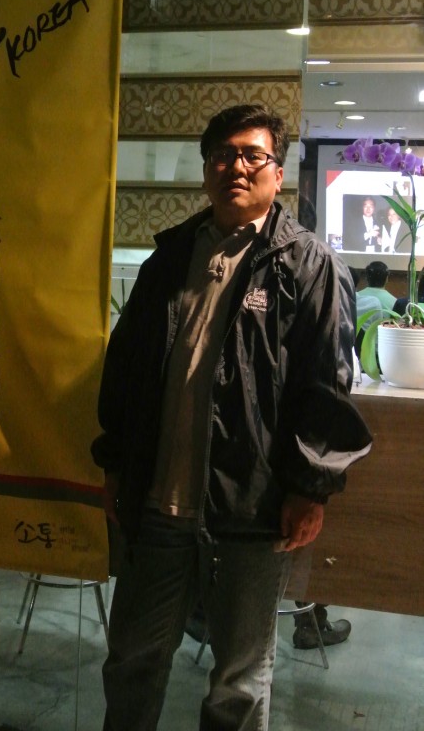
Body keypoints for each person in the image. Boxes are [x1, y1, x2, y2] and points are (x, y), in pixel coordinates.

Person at [92, 104, 372, 731]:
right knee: (132, 657)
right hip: (158, 504)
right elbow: (128, 370)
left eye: (252, 156)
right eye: (222, 155)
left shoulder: (308, 265)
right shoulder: (168, 260)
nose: (235, 167)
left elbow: (326, 383)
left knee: (239, 682)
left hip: (251, 508)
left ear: (278, 173)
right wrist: (114, 464)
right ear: (205, 169)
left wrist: (311, 486)